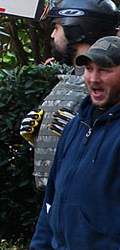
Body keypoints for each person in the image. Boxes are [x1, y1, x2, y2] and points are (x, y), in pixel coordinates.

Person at [18, 0, 119, 189]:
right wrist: (40, 137)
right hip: (59, 198)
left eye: (57, 28)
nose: (53, 35)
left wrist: (82, 133)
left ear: (76, 30)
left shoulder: (110, 88)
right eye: (89, 70)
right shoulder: (68, 82)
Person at [30, 35, 120, 249]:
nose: (93, 78)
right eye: (89, 69)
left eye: (104, 70)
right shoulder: (75, 126)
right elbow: (50, 202)